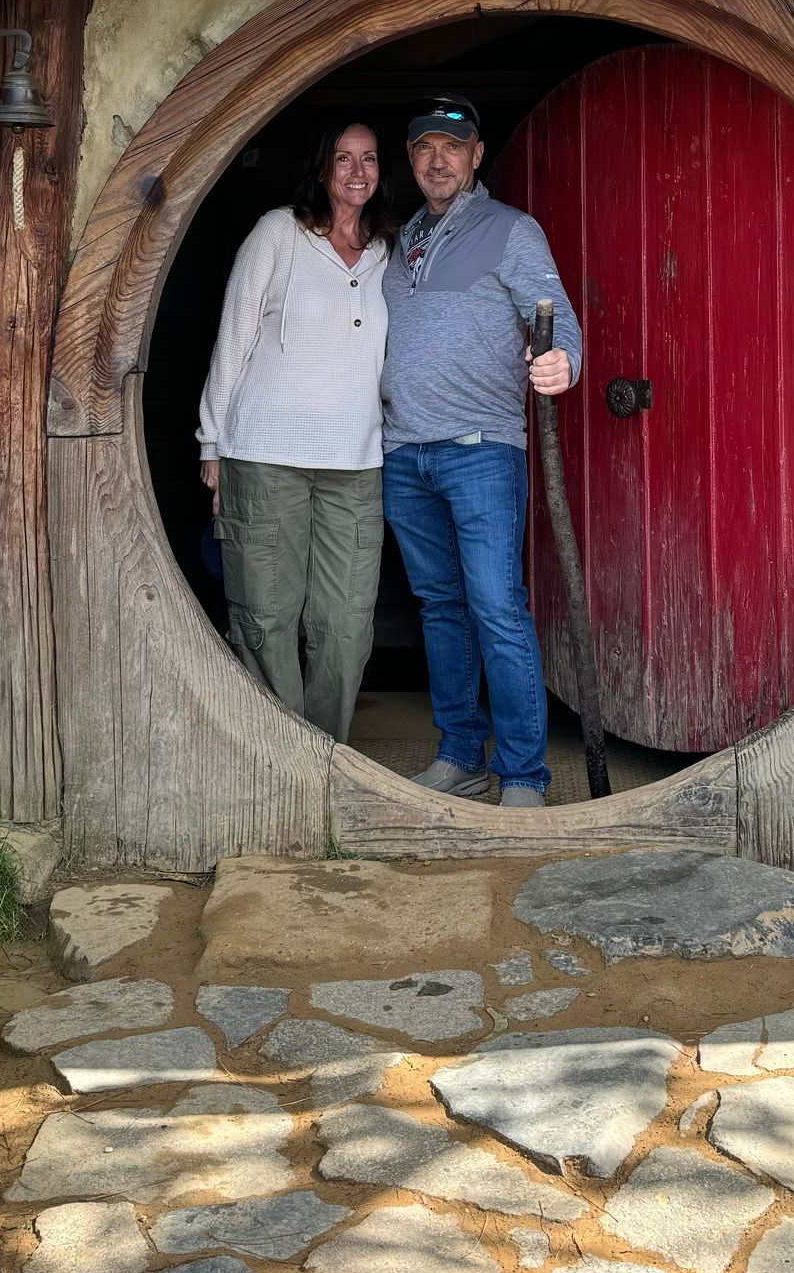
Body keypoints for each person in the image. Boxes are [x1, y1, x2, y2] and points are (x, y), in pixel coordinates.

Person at [381, 93, 581, 808]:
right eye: (424, 147)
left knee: (496, 605)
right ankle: (461, 755)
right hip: (405, 454)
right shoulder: (403, 239)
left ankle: (524, 774)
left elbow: (555, 318)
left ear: (475, 157)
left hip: (480, 451)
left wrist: (563, 364)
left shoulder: (511, 230)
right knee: (441, 609)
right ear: (411, 160)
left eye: (452, 147)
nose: (438, 159)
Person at [197, 120, 392, 742]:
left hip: (357, 461)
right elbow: (235, 336)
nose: (357, 171)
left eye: (369, 158)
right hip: (264, 452)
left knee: (347, 622)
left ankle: (325, 758)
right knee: (265, 613)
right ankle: (280, 762)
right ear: (321, 168)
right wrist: (213, 442)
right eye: (343, 158)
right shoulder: (279, 233)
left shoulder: (391, 252)